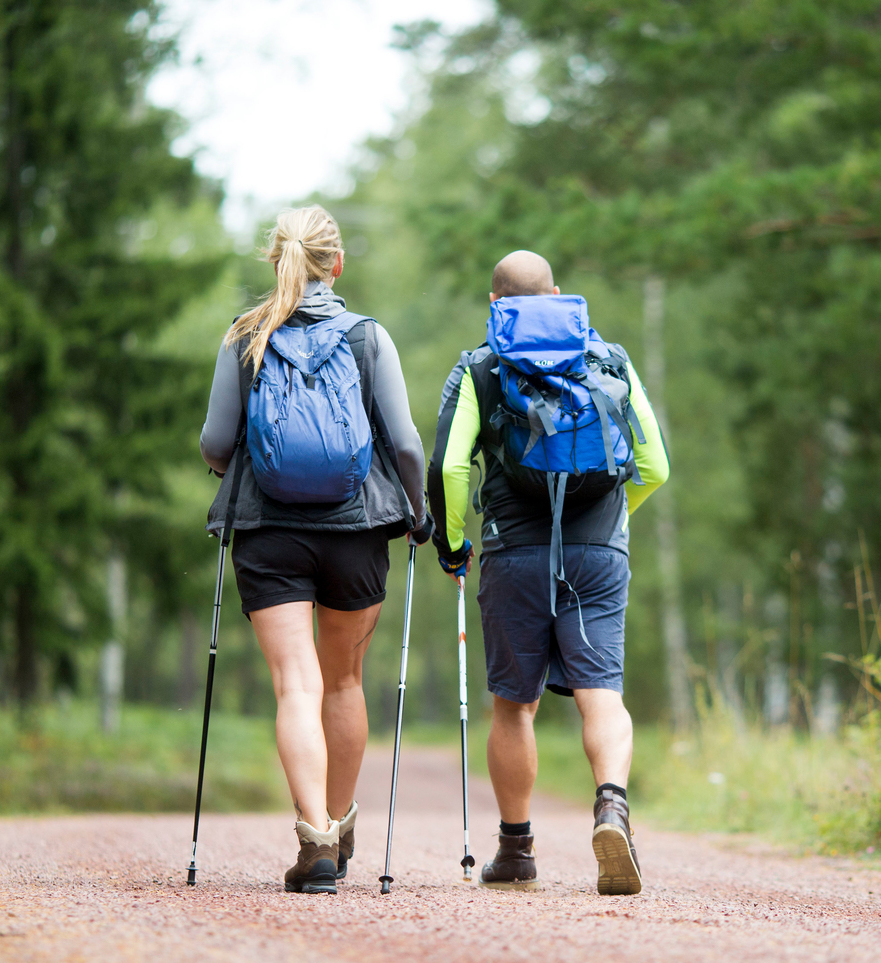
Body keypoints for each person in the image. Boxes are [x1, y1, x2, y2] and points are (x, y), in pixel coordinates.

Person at [199, 205, 430, 895]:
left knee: (295, 684)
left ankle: (316, 838)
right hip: (356, 531)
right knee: (344, 682)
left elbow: (216, 443)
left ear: (276, 261)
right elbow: (407, 443)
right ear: (338, 264)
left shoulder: (245, 337)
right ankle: (341, 818)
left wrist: (232, 463)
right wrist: (418, 514)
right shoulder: (369, 339)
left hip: (269, 531)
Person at [426, 250, 669, 895]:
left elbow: (450, 467)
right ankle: (612, 807)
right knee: (602, 690)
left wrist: (453, 544)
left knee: (514, 705)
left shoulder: (480, 365)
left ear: (495, 306)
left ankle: (516, 850)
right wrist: (615, 524)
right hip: (597, 550)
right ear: (558, 294)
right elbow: (655, 464)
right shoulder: (608, 358)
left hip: (514, 552)